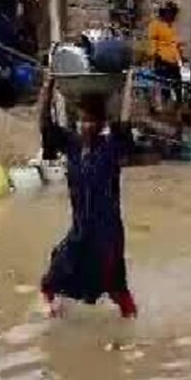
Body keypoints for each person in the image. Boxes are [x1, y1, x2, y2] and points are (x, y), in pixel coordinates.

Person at [39, 74, 137, 318]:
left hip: (107, 233)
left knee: (117, 290)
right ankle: (55, 319)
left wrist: (128, 83)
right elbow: (44, 123)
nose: (86, 125)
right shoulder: (71, 145)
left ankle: (132, 332)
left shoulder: (111, 148)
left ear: (102, 123)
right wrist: (48, 84)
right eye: (82, 120)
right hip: (80, 230)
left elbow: (125, 121)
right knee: (52, 280)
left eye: (91, 121)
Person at [148, 0, 184, 108]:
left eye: (172, 13)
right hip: (161, 59)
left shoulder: (170, 26)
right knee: (163, 85)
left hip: (174, 60)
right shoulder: (155, 25)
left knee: (177, 84)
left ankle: (178, 106)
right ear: (163, 13)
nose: (171, 15)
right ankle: (162, 106)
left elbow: (173, 43)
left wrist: (180, 54)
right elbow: (153, 41)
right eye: (169, 12)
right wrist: (154, 56)